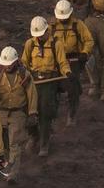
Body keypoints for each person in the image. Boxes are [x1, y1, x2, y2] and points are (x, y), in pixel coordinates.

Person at [0, 46, 37, 181]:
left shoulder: (24, 75)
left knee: (15, 142)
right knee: (2, 141)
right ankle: (4, 165)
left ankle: (13, 173)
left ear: (15, 62)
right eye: (4, 64)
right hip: (1, 112)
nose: (7, 67)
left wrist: (32, 113)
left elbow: (32, 95)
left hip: (17, 113)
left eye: (9, 64)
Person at [20, 17, 70, 157]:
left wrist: (67, 73)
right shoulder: (30, 44)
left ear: (47, 30)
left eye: (41, 34)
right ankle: (34, 135)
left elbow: (62, 62)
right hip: (33, 82)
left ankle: (44, 144)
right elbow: (24, 62)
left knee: (45, 113)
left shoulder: (56, 44)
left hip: (49, 82)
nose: (39, 37)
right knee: (29, 111)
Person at [49, 0, 94, 127]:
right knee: (52, 88)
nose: (63, 20)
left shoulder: (78, 25)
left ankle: (72, 114)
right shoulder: (51, 27)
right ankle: (53, 113)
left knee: (73, 88)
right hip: (55, 61)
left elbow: (88, 40)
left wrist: (84, 53)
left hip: (74, 59)